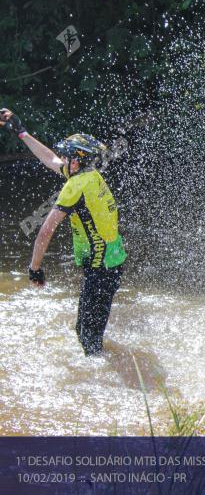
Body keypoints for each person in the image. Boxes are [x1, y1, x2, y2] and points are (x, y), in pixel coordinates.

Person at [1, 108, 127, 356]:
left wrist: (35, 269)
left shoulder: (74, 187)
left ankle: (99, 385)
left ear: (76, 161)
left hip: (102, 268)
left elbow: (45, 231)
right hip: (110, 263)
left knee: (89, 341)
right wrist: (22, 132)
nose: (61, 158)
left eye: (66, 156)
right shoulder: (90, 175)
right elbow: (50, 160)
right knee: (83, 331)